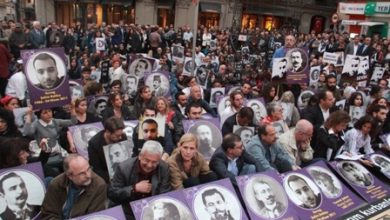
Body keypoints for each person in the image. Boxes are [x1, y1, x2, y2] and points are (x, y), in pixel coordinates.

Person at [108, 140, 171, 219]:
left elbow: (164, 193)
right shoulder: (123, 168)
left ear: (159, 160)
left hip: (152, 210)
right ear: (140, 156)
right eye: (147, 160)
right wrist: (134, 188)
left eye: (154, 162)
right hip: (128, 210)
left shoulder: (164, 167)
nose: (149, 165)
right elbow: (112, 193)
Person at [41, 154, 107, 219]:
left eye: (88, 169)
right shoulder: (56, 184)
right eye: (82, 173)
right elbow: (48, 214)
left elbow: (93, 217)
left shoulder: (99, 185)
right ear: (70, 176)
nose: (88, 175)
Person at [88, 116, 127, 183]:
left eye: (121, 134)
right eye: (117, 135)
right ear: (108, 132)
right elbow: (97, 169)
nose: (120, 137)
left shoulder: (122, 137)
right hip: (106, 175)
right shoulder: (94, 144)